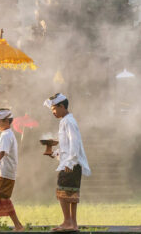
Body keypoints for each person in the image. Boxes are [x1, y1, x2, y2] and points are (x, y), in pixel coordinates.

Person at [44, 93, 91, 232]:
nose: (53, 112)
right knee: (71, 193)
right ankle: (72, 223)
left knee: (63, 191)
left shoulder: (68, 121)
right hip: (71, 162)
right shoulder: (65, 120)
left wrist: (70, 163)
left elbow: (74, 143)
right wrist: (54, 153)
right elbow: (66, 146)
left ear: (62, 106)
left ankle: (67, 222)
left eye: (54, 109)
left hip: (71, 164)